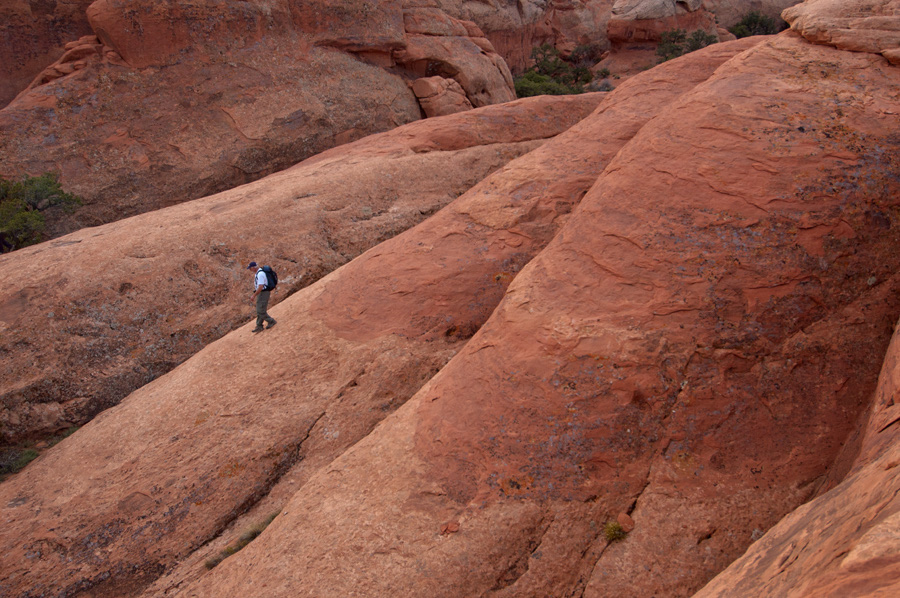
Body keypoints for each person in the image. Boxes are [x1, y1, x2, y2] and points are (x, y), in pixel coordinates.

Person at [247, 261, 276, 333]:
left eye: (250, 268)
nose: (250, 270)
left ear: (253, 268)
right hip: (261, 293)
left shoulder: (260, 274)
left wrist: (254, 295)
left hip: (263, 293)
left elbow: (260, 286)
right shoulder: (258, 273)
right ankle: (259, 325)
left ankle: (271, 321)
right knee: (259, 309)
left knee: (261, 310)